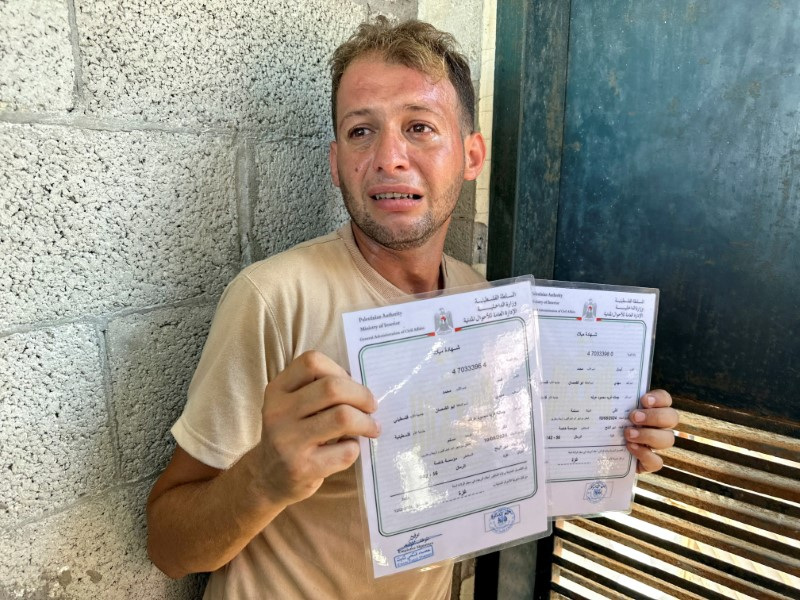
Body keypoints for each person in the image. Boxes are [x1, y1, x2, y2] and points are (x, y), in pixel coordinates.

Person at [146, 17, 679, 599]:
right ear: (334, 163)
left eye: (420, 127)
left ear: (471, 155)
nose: (389, 157)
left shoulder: (488, 306)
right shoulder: (274, 299)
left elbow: (497, 489)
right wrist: (264, 480)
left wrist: (605, 449)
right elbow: (168, 547)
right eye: (360, 132)